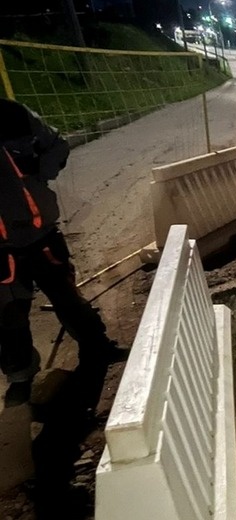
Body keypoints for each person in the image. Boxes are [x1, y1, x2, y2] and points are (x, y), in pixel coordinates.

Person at [0, 98, 124, 408]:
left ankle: (97, 349)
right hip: (2, 252)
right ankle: (21, 377)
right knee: (9, 317)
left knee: (67, 297)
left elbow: (57, 146)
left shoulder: (12, 115)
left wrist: (38, 173)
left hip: (40, 236)